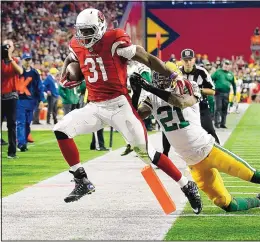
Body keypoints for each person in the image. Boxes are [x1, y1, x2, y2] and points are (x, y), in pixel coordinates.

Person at [53, 8, 202, 214]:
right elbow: (72, 62)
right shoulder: (76, 43)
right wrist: (66, 73)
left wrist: (172, 75)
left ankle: (186, 185)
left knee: (147, 154)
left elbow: (147, 58)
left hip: (120, 106)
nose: (85, 36)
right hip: (95, 106)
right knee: (61, 129)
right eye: (82, 31)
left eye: (89, 31)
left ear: (100, 27)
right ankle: (81, 180)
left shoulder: (115, 40)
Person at [132, 69, 260, 216]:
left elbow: (179, 102)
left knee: (253, 175)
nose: (162, 82)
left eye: (164, 79)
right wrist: (138, 91)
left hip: (209, 150)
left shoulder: (189, 87)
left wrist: (149, 88)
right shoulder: (152, 98)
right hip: (193, 163)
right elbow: (136, 117)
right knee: (226, 204)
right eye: (159, 79)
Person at [121, 60, 152, 156]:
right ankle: (133, 145)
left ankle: (142, 147)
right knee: (127, 122)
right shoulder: (125, 67)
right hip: (132, 97)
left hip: (142, 97)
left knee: (135, 122)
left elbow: (147, 82)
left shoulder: (141, 66)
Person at [16, 53, 45, 151]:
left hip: (31, 101)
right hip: (19, 100)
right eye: (26, 59)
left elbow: (39, 87)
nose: (28, 61)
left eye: (29, 59)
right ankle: (21, 143)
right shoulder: (17, 71)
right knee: (21, 122)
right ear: (22, 60)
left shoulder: (35, 73)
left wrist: (41, 100)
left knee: (28, 123)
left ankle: (24, 141)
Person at [1, 40, 24, 158]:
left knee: (11, 125)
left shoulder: (16, 60)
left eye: (9, 46)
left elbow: (20, 71)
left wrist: (9, 57)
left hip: (12, 96)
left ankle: (12, 152)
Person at [212, 60, 236, 129]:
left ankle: (223, 123)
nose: (226, 66)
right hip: (218, 92)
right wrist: (212, 88)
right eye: (225, 65)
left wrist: (234, 93)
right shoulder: (218, 72)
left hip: (226, 93)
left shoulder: (231, 74)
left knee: (225, 108)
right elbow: (211, 79)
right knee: (218, 107)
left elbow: (234, 84)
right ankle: (217, 123)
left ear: (229, 66)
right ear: (223, 65)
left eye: (227, 65)